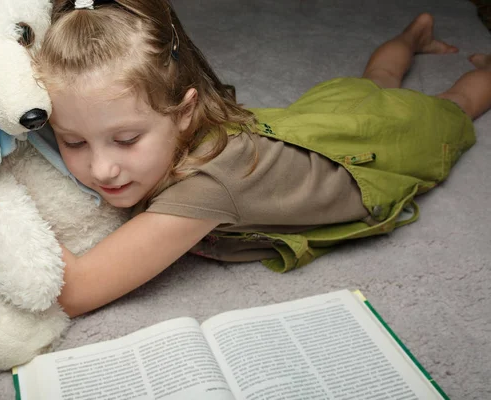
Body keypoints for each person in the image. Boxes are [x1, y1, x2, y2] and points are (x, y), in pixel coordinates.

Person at [33, 0, 491, 317]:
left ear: (185, 112)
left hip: (362, 157)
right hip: (318, 120)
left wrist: (0, 204)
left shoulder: (207, 186)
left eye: (127, 139)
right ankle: (413, 36)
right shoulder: (156, 129)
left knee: (454, 104)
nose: (102, 168)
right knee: (377, 81)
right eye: (73, 143)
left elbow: (75, 292)